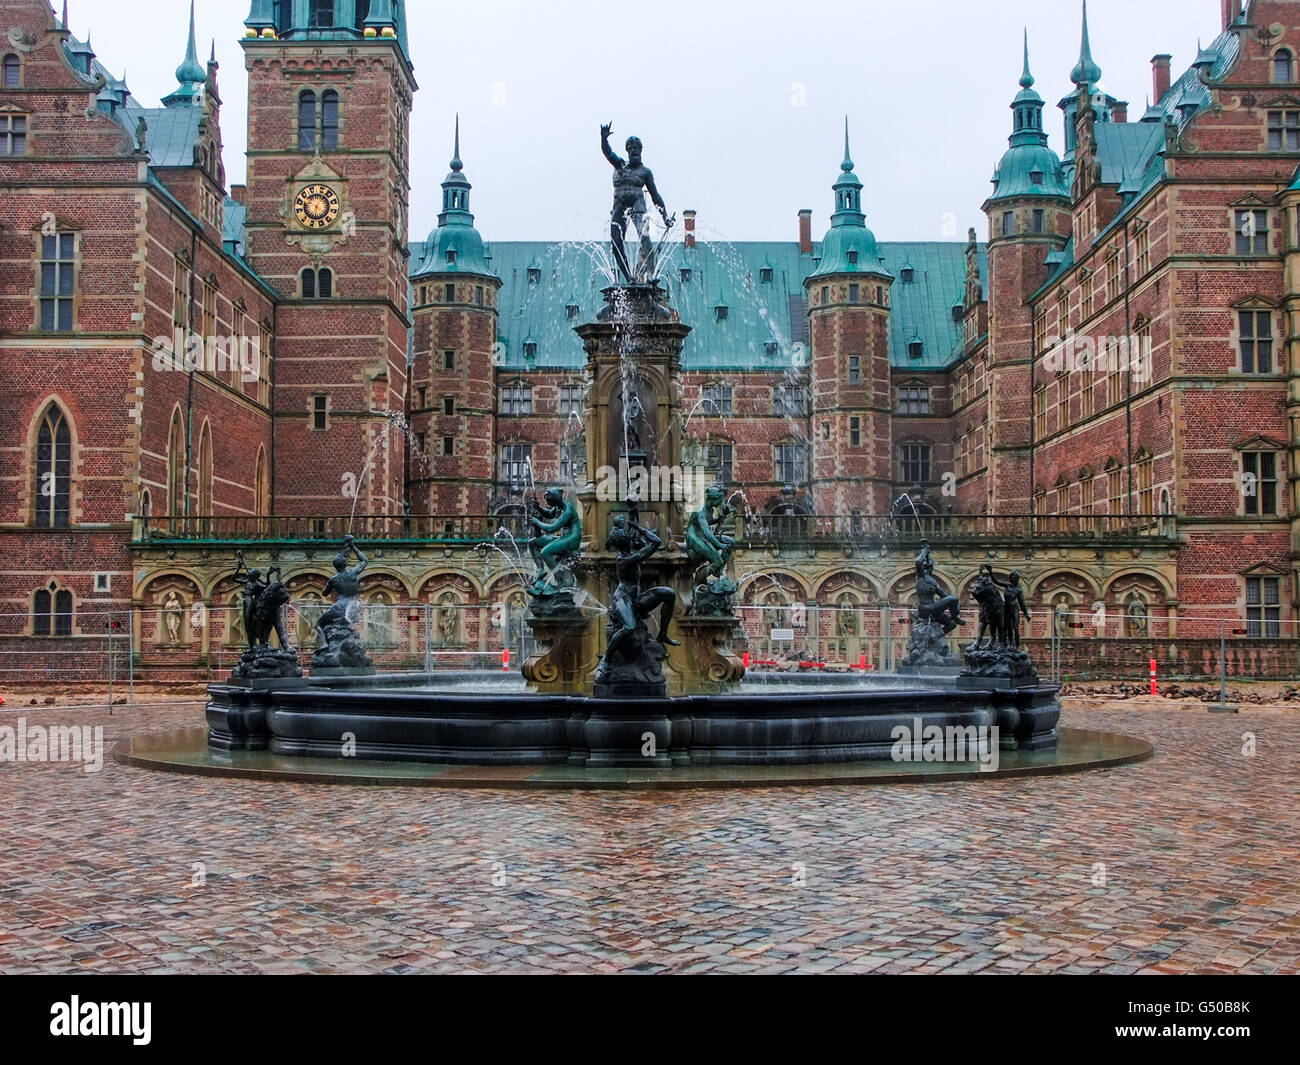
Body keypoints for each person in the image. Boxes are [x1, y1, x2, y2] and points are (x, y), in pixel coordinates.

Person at [603, 513, 680, 667]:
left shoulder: (627, 551)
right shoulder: (626, 560)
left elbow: (634, 530)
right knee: (629, 627)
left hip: (636, 598)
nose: (631, 535)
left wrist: (633, 510)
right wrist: (638, 527)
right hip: (623, 599)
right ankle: (607, 660)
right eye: (628, 535)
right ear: (625, 542)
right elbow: (656, 542)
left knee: (669, 594)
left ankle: (663, 634)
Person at [601, 123, 671, 283]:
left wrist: (665, 216)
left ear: (641, 150)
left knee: (645, 237)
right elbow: (607, 152)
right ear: (627, 151)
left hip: (638, 205)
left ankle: (651, 276)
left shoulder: (645, 172)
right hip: (619, 206)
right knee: (616, 243)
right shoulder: (619, 165)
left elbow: (655, 196)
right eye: (630, 148)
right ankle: (629, 278)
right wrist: (603, 138)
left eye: (636, 148)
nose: (633, 150)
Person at [527, 488, 582, 594]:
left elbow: (551, 528)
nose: (548, 503)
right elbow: (550, 514)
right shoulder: (558, 506)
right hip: (564, 537)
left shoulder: (568, 510)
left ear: (555, 499)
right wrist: (539, 509)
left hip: (573, 538)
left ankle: (560, 580)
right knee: (533, 543)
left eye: (549, 501)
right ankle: (541, 570)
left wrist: (537, 522)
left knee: (545, 552)